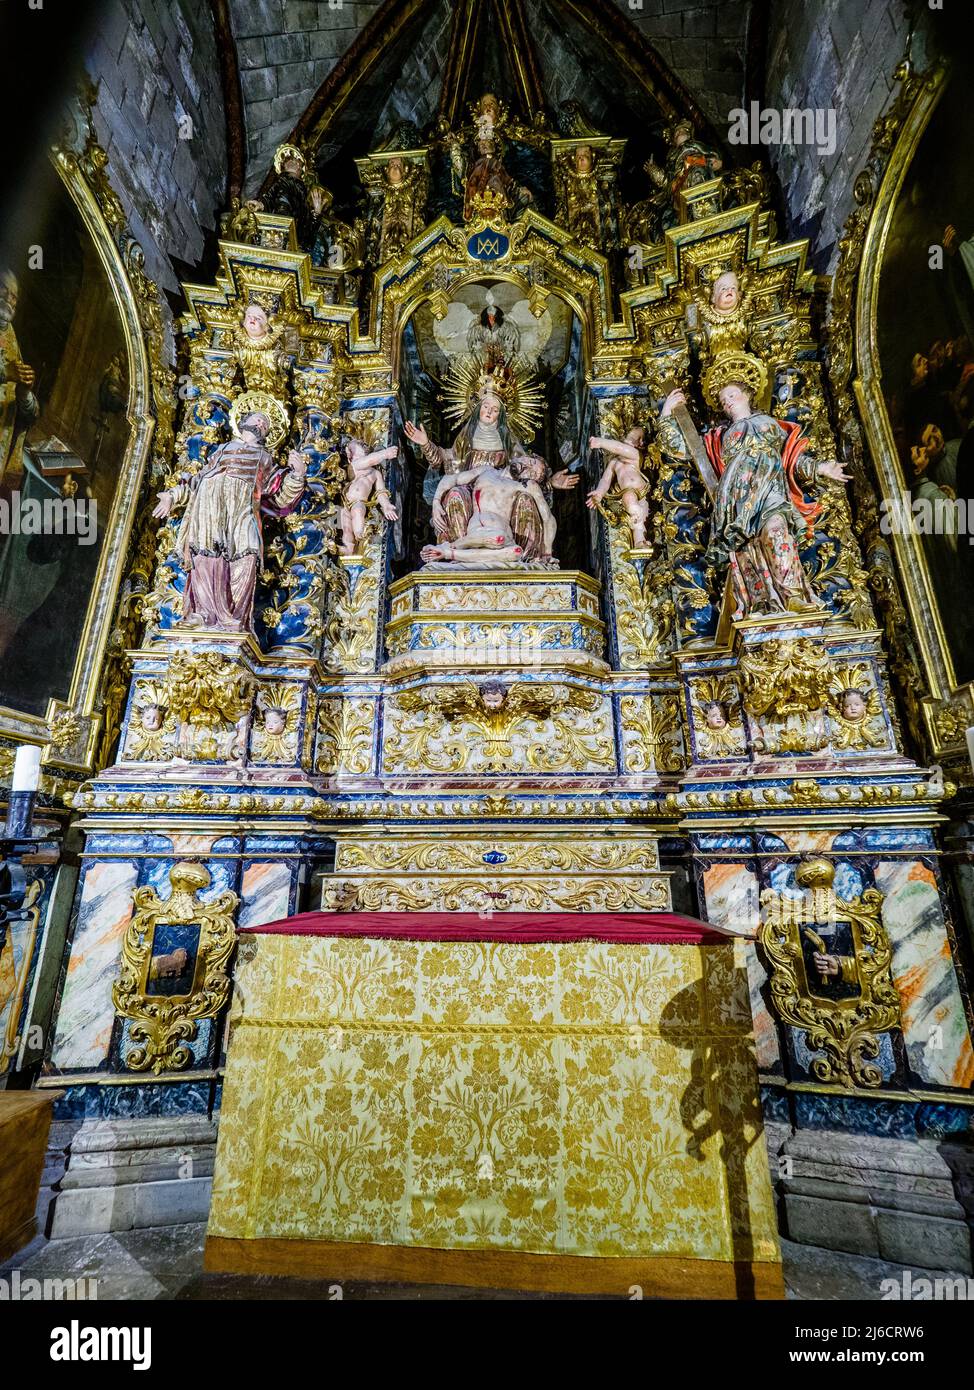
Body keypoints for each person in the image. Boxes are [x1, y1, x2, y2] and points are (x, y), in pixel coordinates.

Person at [658, 354, 849, 617]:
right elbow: (685, 449)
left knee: (776, 531)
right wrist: (667, 414)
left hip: (771, 490)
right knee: (747, 549)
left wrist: (821, 468)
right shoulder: (718, 437)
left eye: (732, 395)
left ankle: (793, 596)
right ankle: (763, 603)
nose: (727, 402)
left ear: (747, 394)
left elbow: (792, 457)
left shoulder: (769, 424)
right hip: (736, 498)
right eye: (724, 400)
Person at [153, 412, 306, 632]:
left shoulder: (265, 457)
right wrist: (172, 496)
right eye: (257, 418)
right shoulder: (221, 450)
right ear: (242, 423)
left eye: (265, 423)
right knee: (205, 553)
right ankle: (203, 615)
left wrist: (297, 475)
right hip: (209, 506)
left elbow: (278, 495)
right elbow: (197, 482)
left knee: (248, 553)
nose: (261, 423)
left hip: (242, 508)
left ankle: (233, 617)